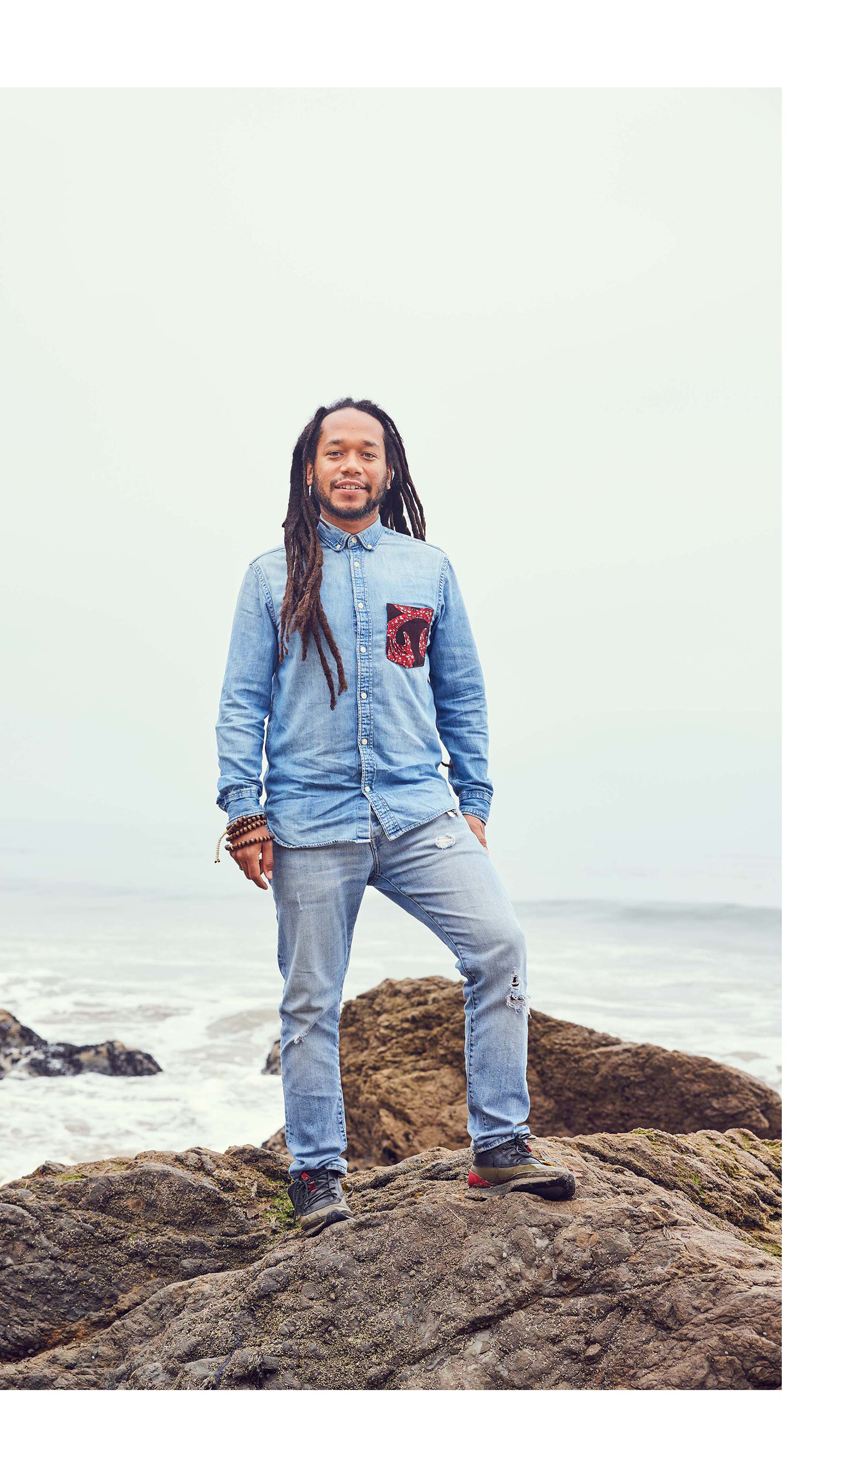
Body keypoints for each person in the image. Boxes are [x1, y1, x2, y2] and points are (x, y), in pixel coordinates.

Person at [214, 398, 572, 1235]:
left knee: (499, 947)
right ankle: (316, 1171)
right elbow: (240, 703)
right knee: (311, 1001)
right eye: (335, 452)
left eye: (366, 452)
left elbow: (462, 692)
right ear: (310, 470)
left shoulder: (428, 569)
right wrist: (244, 812)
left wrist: (473, 801)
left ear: (388, 468)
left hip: (419, 810)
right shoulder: (270, 576)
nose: (351, 465)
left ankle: (500, 1145)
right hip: (310, 818)